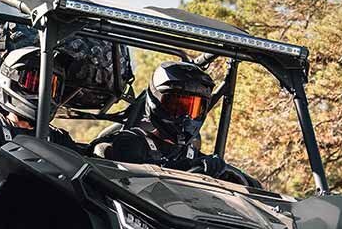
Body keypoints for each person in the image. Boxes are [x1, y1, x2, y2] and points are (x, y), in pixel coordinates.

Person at [92, 61, 249, 181]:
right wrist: (193, 167)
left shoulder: (191, 154)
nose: (186, 117)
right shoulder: (130, 142)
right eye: (176, 106)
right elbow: (140, 174)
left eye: (193, 109)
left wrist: (230, 174)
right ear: (155, 102)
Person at [0, 47, 81, 167]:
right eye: (32, 83)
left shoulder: (57, 138)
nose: (42, 93)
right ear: (10, 80)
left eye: (52, 88)